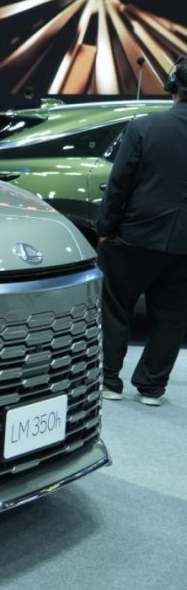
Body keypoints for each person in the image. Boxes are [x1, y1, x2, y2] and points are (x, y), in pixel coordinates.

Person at [97, 55, 187, 407]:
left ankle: (109, 380)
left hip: (134, 236)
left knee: (115, 307)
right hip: (184, 246)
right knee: (172, 316)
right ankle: (151, 387)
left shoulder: (144, 127)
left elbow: (119, 184)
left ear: (172, 86)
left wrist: (106, 229)